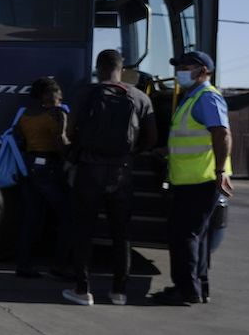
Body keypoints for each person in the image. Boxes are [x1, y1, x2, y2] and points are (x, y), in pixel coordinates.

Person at [62, 50, 157, 306]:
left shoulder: (85, 93)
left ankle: (82, 290)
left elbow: (70, 130)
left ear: (98, 69)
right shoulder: (140, 97)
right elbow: (152, 137)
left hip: (89, 170)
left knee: (83, 230)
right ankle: (119, 292)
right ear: (121, 69)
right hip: (122, 172)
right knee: (121, 233)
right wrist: (134, 152)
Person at [151, 50, 233, 306]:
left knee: (183, 235)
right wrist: (167, 151)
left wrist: (220, 172)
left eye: (186, 68)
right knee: (197, 236)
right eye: (179, 68)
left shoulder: (207, 97)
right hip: (192, 179)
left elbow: (222, 134)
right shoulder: (192, 97)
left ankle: (185, 290)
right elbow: (192, 138)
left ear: (203, 71)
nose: (180, 73)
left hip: (200, 180)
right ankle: (198, 287)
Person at [13, 77, 72, 279]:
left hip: (28, 166)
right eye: (58, 95)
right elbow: (60, 145)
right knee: (67, 216)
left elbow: (20, 138)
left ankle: (23, 265)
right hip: (49, 168)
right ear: (47, 95)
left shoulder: (24, 115)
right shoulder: (53, 116)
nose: (61, 99)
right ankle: (59, 265)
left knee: (31, 219)